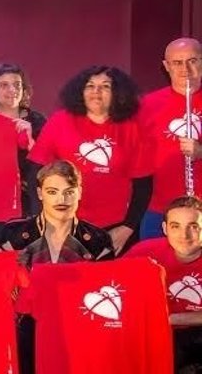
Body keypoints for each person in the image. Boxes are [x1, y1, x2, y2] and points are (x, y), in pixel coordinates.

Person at [0, 159, 110, 374]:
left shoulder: (98, 240)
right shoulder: (14, 234)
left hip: (78, 323)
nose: (62, 199)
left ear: (80, 192)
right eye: (52, 191)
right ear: (39, 193)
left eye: (69, 192)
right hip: (26, 325)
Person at [27, 65, 150, 254]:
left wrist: (128, 227)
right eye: (90, 86)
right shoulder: (60, 121)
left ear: (118, 92)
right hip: (66, 224)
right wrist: (44, 221)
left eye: (105, 86)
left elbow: (143, 183)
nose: (96, 92)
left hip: (116, 226)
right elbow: (36, 172)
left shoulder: (131, 127)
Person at [126, 194, 202, 374]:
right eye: (175, 226)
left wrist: (169, 318)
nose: (184, 235)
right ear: (164, 228)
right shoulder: (143, 253)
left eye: (194, 226)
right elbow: (114, 287)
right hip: (158, 333)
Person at [137, 38, 202, 239]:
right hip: (160, 209)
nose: (185, 69)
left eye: (192, 61)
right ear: (166, 66)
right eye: (177, 62)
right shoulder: (148, 105)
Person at [0, 62, 47, 216]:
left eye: (17, 85)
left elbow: (50, 165)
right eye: (4, 85)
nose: (12, 90)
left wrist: (31, 143)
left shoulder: (37, 121)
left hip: (29, 203)